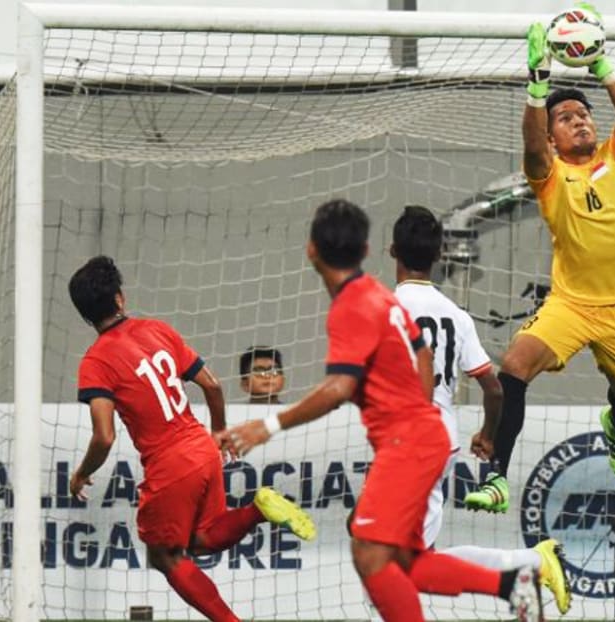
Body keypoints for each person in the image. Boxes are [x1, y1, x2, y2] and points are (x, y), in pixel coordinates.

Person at [222, 199, 544, 622]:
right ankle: (511, 581)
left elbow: (339, 387)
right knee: (396, 557)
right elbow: (422, 353)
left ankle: (516, 578)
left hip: (409, 442)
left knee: (371, 552)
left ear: (311, 251)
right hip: (421, 435)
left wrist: (268, 424)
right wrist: (419, 409)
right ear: (367, 249)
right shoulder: (379, 298)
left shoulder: (356, 306)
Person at [465, 3, 615, 513]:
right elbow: (530, 144)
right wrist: (539, 85)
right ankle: (497, 478)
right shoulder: (548, 175)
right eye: (566, 119)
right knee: (516, 362)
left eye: (584, 115)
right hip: (572, 304)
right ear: (552, 137)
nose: (580, 122)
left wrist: (602, 66)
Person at [68, 256, 316, 622]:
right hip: (201, 447)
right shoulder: (157, 329)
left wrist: (81, 473)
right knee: (202, 538)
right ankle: (258, 509)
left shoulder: (95, 362)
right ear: (120, 299)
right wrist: (219, 434)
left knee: (164, 556)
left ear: (85, 315)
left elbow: (104, 437)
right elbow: (212, 385)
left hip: (170, 462)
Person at [391, 204, 571, 615]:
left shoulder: (384, 310)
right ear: (439, 256)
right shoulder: (456, 316)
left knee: (394, 563)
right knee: (416, 558)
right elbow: (493, 388)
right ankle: (530, 565)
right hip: (439, 439)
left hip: (409, 445)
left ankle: (531, 564)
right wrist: (488, 435)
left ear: (391, 251)